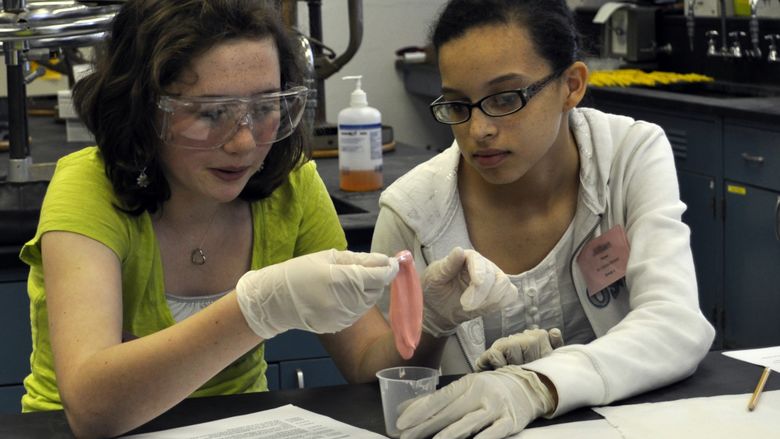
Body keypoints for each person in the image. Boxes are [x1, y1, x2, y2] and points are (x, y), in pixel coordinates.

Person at [18, 1, 400, 437]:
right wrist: (256, 309)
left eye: (265, 107)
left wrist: (433, 323)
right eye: (210, 113)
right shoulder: (88, 188)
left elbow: (370, 363)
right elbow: (93, 410)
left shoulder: (291, 190)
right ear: (143, 108)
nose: (243, 143)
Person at [370, 0, 716, 437]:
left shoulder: (629, 155)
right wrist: (431, 327)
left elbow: (676, 323)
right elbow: (390, 383)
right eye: (458, 105)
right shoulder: (412, 212)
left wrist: (537, 384)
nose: (479, 130)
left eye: (505, 98)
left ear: (571, 85)